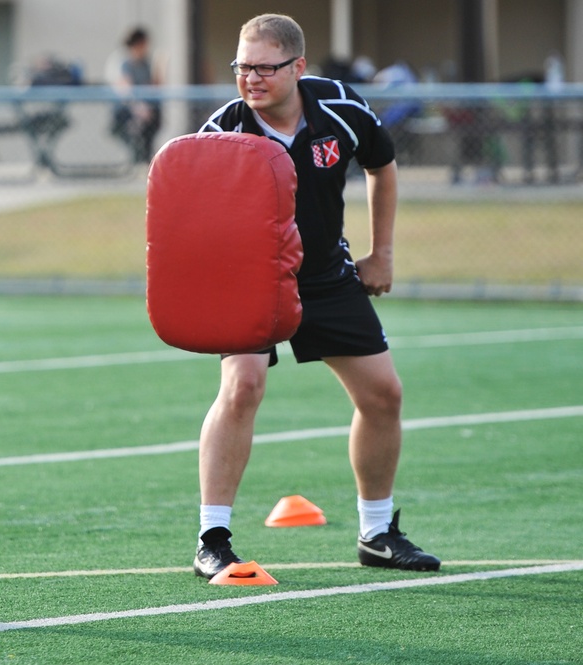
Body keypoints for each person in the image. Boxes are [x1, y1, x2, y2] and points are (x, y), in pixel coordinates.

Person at [192, 14, 440, 580]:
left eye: (264, 67)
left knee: (384, 395)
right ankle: (212, 539)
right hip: (251, 283)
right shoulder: (220, 132)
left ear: (298, 67)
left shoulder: (341, 108)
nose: (250, 79)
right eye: (242, 67)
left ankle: (376, 533)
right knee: (243, 385)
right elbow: (189, 218)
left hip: (327, 274)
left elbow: (382, 163)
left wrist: (383, 254)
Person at [109, 27, 163, 162]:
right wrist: (138, 107)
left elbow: (153, 87)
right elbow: (125, 89)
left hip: (147, 112)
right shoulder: (124, 64)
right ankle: (136, 161)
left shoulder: (146, 64)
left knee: (152, 126)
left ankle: (144, 160)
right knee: (134, 134)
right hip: (128, 112)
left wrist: (161, 67)